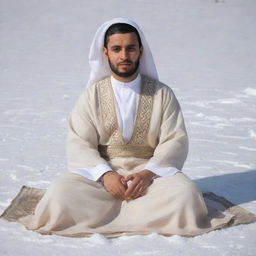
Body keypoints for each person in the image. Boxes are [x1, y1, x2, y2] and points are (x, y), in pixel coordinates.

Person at [18, 18, 233, 237]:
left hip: (152, 178)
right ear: (105, 53)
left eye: (130, 48)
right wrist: (106, 175)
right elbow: (79, 143)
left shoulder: (162, 94)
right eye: (116, 49)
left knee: (186, 195)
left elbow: (175, 139)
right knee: (59, 194)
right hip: (100, 179)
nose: (124, 56)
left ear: (140, 51)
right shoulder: (90, 96)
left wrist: (147, 174)